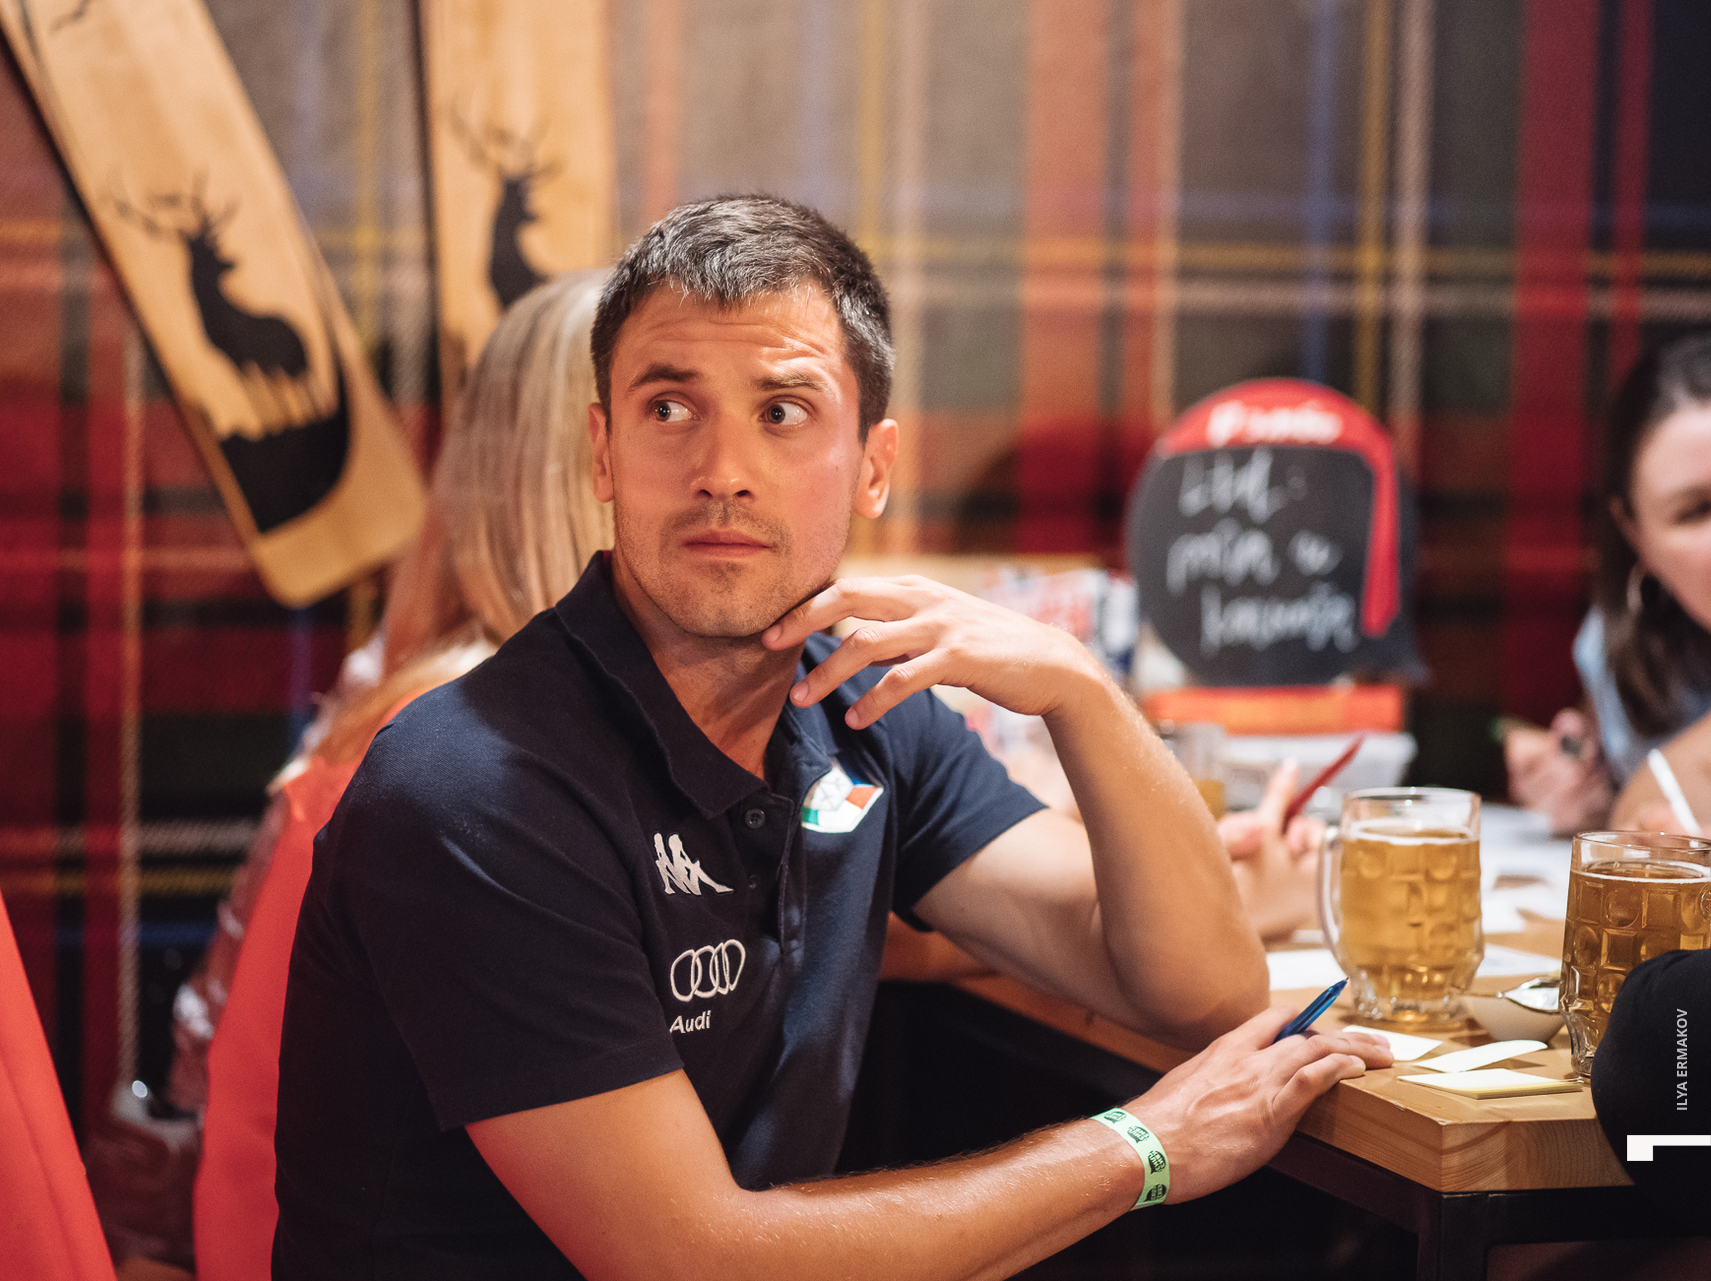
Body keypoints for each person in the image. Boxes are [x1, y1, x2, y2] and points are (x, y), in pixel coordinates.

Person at [273, 196, 1389, 1280]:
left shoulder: (859, 704)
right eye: (670, 408)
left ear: (872, 466)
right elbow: (687, 1258)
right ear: (603, 454)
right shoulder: (472, 788)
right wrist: (1142, 1148)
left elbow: (1198, 987)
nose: (722, 469)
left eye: (782, 411)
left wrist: (1079, 689)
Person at [192, 268, 614, 1281]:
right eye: (670, 416)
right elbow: (268, 1133)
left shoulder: (464, 703)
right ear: (592, 461)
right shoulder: (450, 748)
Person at [1507, 332, 1711, 833]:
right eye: (1694, 512)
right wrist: (1588, 790)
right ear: (1637, 535)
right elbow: (1644, 813)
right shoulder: (1623, 650)